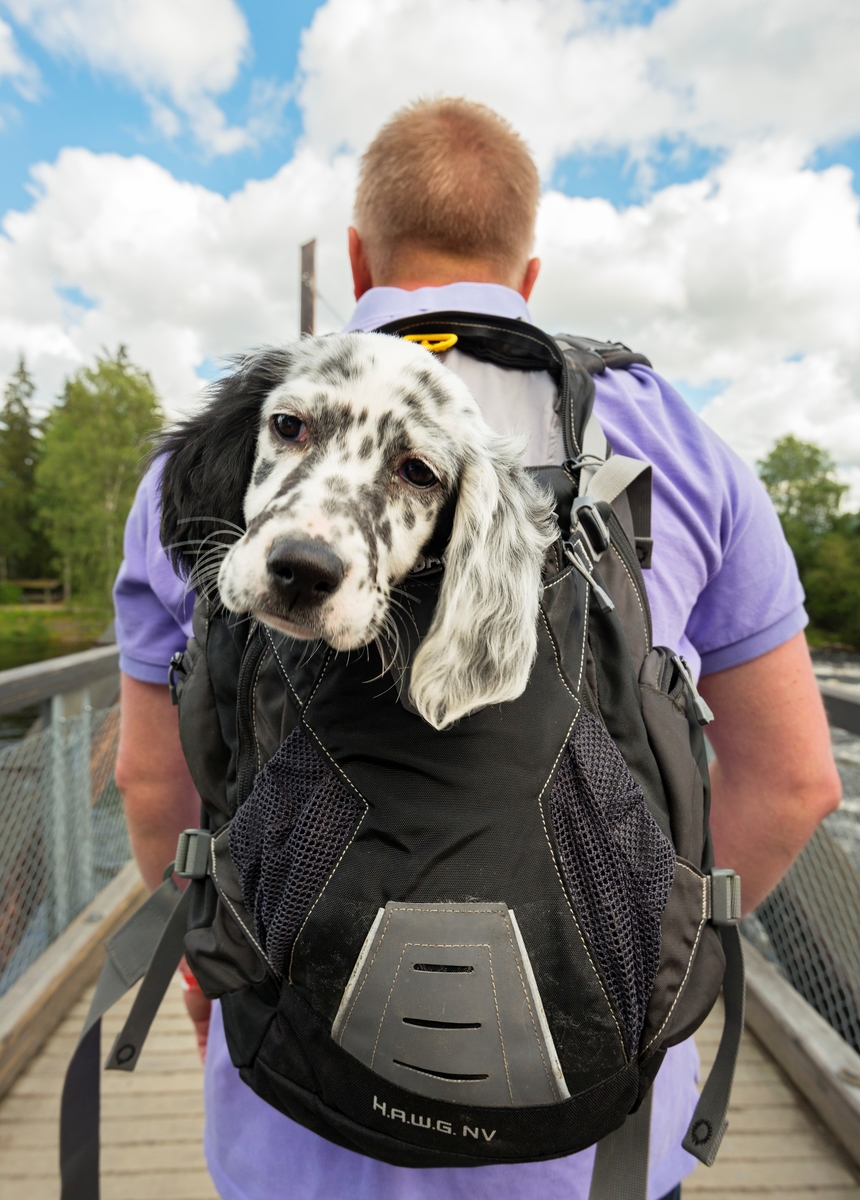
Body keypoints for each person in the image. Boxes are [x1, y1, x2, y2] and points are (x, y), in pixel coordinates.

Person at [113, 98, 841, 1200]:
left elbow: (153, 774)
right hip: (592, 1130)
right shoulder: (681, 446)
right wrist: (650, 960)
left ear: (358, 254)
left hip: (293, 1114)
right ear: (528, 275)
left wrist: (216, 955)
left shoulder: (251, 431)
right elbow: (791, 783)